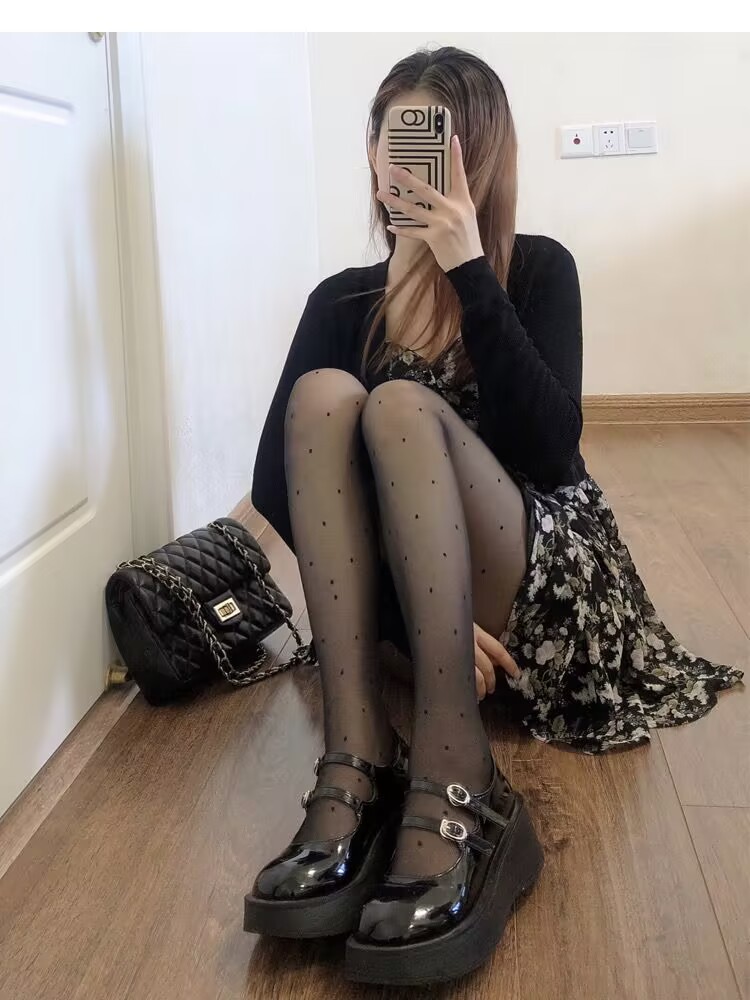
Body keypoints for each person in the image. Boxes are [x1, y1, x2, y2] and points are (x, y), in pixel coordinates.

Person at [243, 46, 742, 986]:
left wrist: (468, 269)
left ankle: (461, 773)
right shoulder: (340, 302)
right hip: (425, 604)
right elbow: (281, 489)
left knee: (399, 407)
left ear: (479, 160)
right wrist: (407, 619)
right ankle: (357, 759)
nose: (407, 165)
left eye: (436, 144)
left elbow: (551, 453)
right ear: (372, 152)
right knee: (323, 398)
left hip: (543, 577)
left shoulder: (537, 271)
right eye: (394, 139)